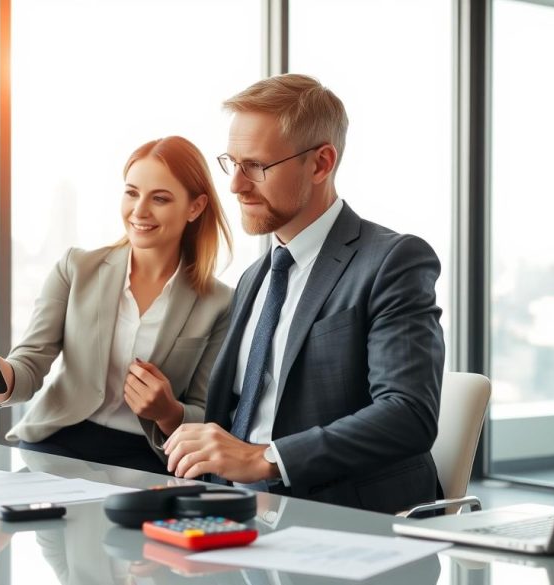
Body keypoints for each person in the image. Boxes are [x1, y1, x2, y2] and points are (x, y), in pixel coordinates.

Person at [0, 136, 233, 474]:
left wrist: (168, 412)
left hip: (150, 460)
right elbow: (28, 369)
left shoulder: (218, 303)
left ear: (195, 207)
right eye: (132, 193)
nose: (140, 210)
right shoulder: (77, 268)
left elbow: (207, 418)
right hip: (57, 446)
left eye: (160, 198)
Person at [163, 74, 445, 514]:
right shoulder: (255, 277)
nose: (235, 186)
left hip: (339, 518)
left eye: (255, 166)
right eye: (231, 163)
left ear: (320, 164)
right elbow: (237, 417)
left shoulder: (392, 261)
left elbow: (408, 414)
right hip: (231, 512)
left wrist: (265, 459)